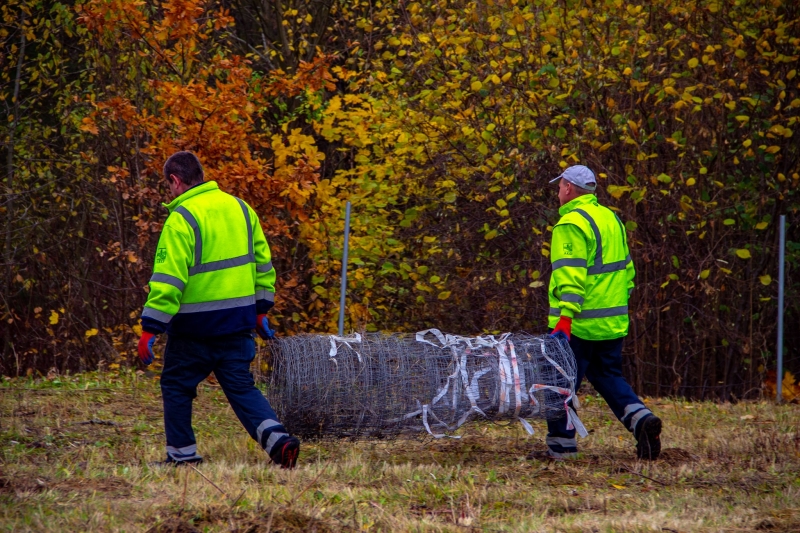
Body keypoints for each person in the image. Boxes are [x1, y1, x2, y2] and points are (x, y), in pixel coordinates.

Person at [136, 151, 300, 468]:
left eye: (168, 185)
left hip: (194, 331)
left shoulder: (181, 219)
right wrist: (261, 310)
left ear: (175, 180)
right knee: (240, 387)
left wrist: (150, 328)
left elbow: (168, 282)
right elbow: (264, 267)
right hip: (238, 324)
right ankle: (279, 441)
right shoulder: (241, 209)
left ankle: (182, 456)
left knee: (176, 384)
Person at [543, 164, 662, 460]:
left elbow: (571, 275)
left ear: (569, 188)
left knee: (557, 383)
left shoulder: (570, 224)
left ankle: (562, 448)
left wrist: (565, 319)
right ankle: (641, 420)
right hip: (612, 322)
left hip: (578, 325)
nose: (558, 192)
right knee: (607, 375)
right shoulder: (611, 219)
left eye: (560, 187)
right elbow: (628, 271)